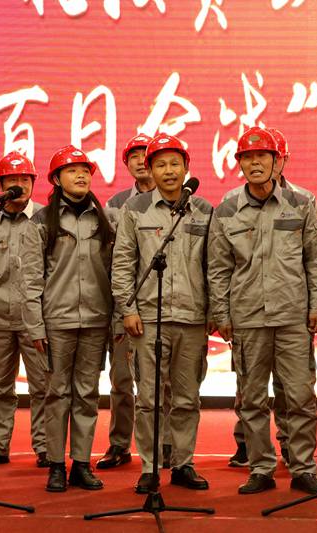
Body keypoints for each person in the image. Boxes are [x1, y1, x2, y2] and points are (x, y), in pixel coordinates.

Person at [209, 127, 317, 495]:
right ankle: (260, 468)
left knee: (300, 397)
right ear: (240, 164)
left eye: (262, 156)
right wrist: (222, 314)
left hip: (292, 316)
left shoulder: (301, 203)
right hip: (248, 318)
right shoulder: (227, 208)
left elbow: (316, 259)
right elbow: (218, 267)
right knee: (252, 399)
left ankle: (303, 467)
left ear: (278, 161)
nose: (255, 163)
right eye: (247, 157)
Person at [111, 132, 212, 494]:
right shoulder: (134, 210)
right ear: (150, 171)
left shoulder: (205, 210)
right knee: (149, 399)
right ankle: (150, 467)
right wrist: (127, 309)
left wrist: (215, 312)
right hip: (148, 320)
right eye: (161, 165)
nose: (169, 171)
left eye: (175, 164)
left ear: (186, 168)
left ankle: (183, 464)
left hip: (192, 318)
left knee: (187, 399)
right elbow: (122, 262)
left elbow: (214, 265)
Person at [22, 146, 115, 492]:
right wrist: (35, 325)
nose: (81, 175)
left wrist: (116, 319)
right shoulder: (41, 222)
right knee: (57, 394)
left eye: (85, 170)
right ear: (56, 179)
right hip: (56, 322)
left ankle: (81, 464)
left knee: (88, 394)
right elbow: (31, 279)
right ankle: (56, 465)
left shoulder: (104, 219)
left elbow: (115, 272)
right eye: (72, 170)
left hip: (95, 320)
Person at [0, 152, 48, 469]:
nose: (20, 185)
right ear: (1, 185)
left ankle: (45, 447)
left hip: (36, 321)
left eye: (25, 179)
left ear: (33, 183)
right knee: (0, 386)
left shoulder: (45, 218)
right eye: (12, 180)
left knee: (43, 386)